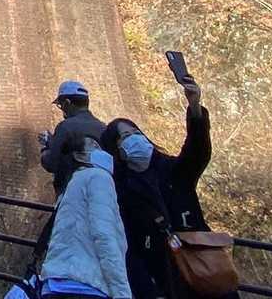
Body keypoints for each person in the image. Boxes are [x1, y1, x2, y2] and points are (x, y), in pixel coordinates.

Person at [98, 80, 236, 299]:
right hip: (163, 279)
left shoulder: (173, 171)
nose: (134, 139)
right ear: (116, 149)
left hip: (202, 269)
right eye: (124, 137)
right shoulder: (119, 192)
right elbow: (128, 250)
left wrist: (195, 107)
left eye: (135, 132)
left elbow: (197, 151)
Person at [36, 135, 133, 298]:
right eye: (94, 146)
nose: (101, 150)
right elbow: (105, 235)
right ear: (79, 156)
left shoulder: (71, 183)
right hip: (86, 285)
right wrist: (122, 293)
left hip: (55, 283)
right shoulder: (98, 177)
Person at [40, 79, 106, 195]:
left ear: (67, 103)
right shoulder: (103, 128)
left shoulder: (66, 127)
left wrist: (46, 149)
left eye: (61, 105)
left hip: (72, 193)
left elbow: (51, 163)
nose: (62, 109)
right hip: (102, 191)